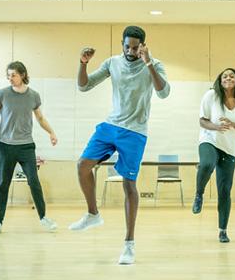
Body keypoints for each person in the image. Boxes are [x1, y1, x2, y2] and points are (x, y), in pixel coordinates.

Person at [69, 25, 170, 265]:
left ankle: (129, 244)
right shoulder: (112, 62)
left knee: (129, 185)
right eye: (127, 46)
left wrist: (148, 63)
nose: (130, 51)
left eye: (135, 48)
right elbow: (84, 86)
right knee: (83, 165)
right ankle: (93, 214)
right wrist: (83, 63)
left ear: (143, 46)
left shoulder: (153, 64)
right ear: (122, 44)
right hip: (111, 125)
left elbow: (164, 92)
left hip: (135, 132)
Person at [0, 61, 58, 235]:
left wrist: (51, 132)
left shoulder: (33, 95)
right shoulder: (2, 94)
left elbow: (40, 118)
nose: (10, 78)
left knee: (34, 182)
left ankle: (43, 218)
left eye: (14, 75)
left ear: (23, 75)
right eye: (8, 75)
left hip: (26, 146)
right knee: (3, 184)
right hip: (5, 146)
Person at [193, 68, 235, 243]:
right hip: (209, 139)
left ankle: (222, 230)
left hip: (230, 147)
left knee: (225, 191)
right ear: (220, 80)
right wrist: (216, 127)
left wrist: (233, 124)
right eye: (224, 76)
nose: (228, 78)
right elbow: (202, 120)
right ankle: (199, 194)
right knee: (206, 164)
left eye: (231, 76)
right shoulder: (211, 96)